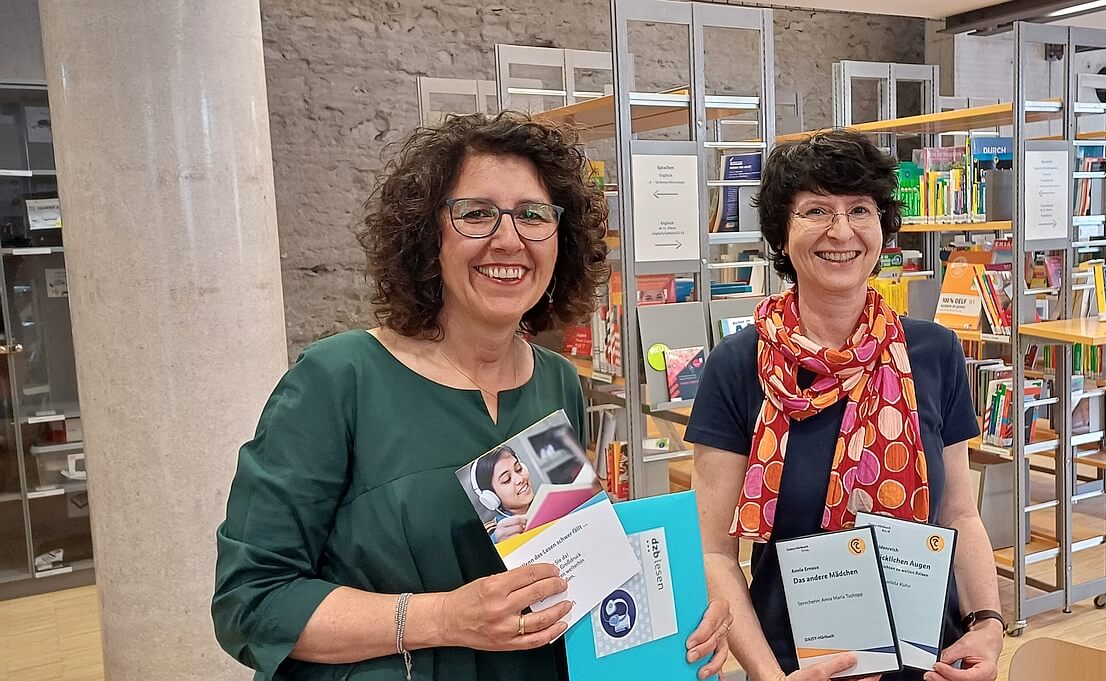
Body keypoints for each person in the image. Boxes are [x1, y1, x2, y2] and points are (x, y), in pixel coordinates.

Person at [212, 111, 732, 681]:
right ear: (426, 234)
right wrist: (443, 618)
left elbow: (565, 569)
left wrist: (678, 614)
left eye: (533, 215)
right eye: (477, 214)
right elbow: (252, 601)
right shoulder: (337, 381)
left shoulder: (556, 382)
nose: (508, 239)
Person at [687, 130, 1003, 681]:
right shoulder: (739, 366)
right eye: (815, 210)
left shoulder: (934, 353)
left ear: (882, 228)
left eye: (860, 209)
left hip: (930, 659)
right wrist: (765, 675)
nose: (841, 231)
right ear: (782, 236)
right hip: (793, 666)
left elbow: (958, 514)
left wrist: (989, 624)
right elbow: (715, 551)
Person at [473, 446, 534, 541]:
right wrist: (497, 542)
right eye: (506, 479)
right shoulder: (491, 534)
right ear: (491, 497)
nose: (520, 479)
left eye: (518, 469)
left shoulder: (547, 503)